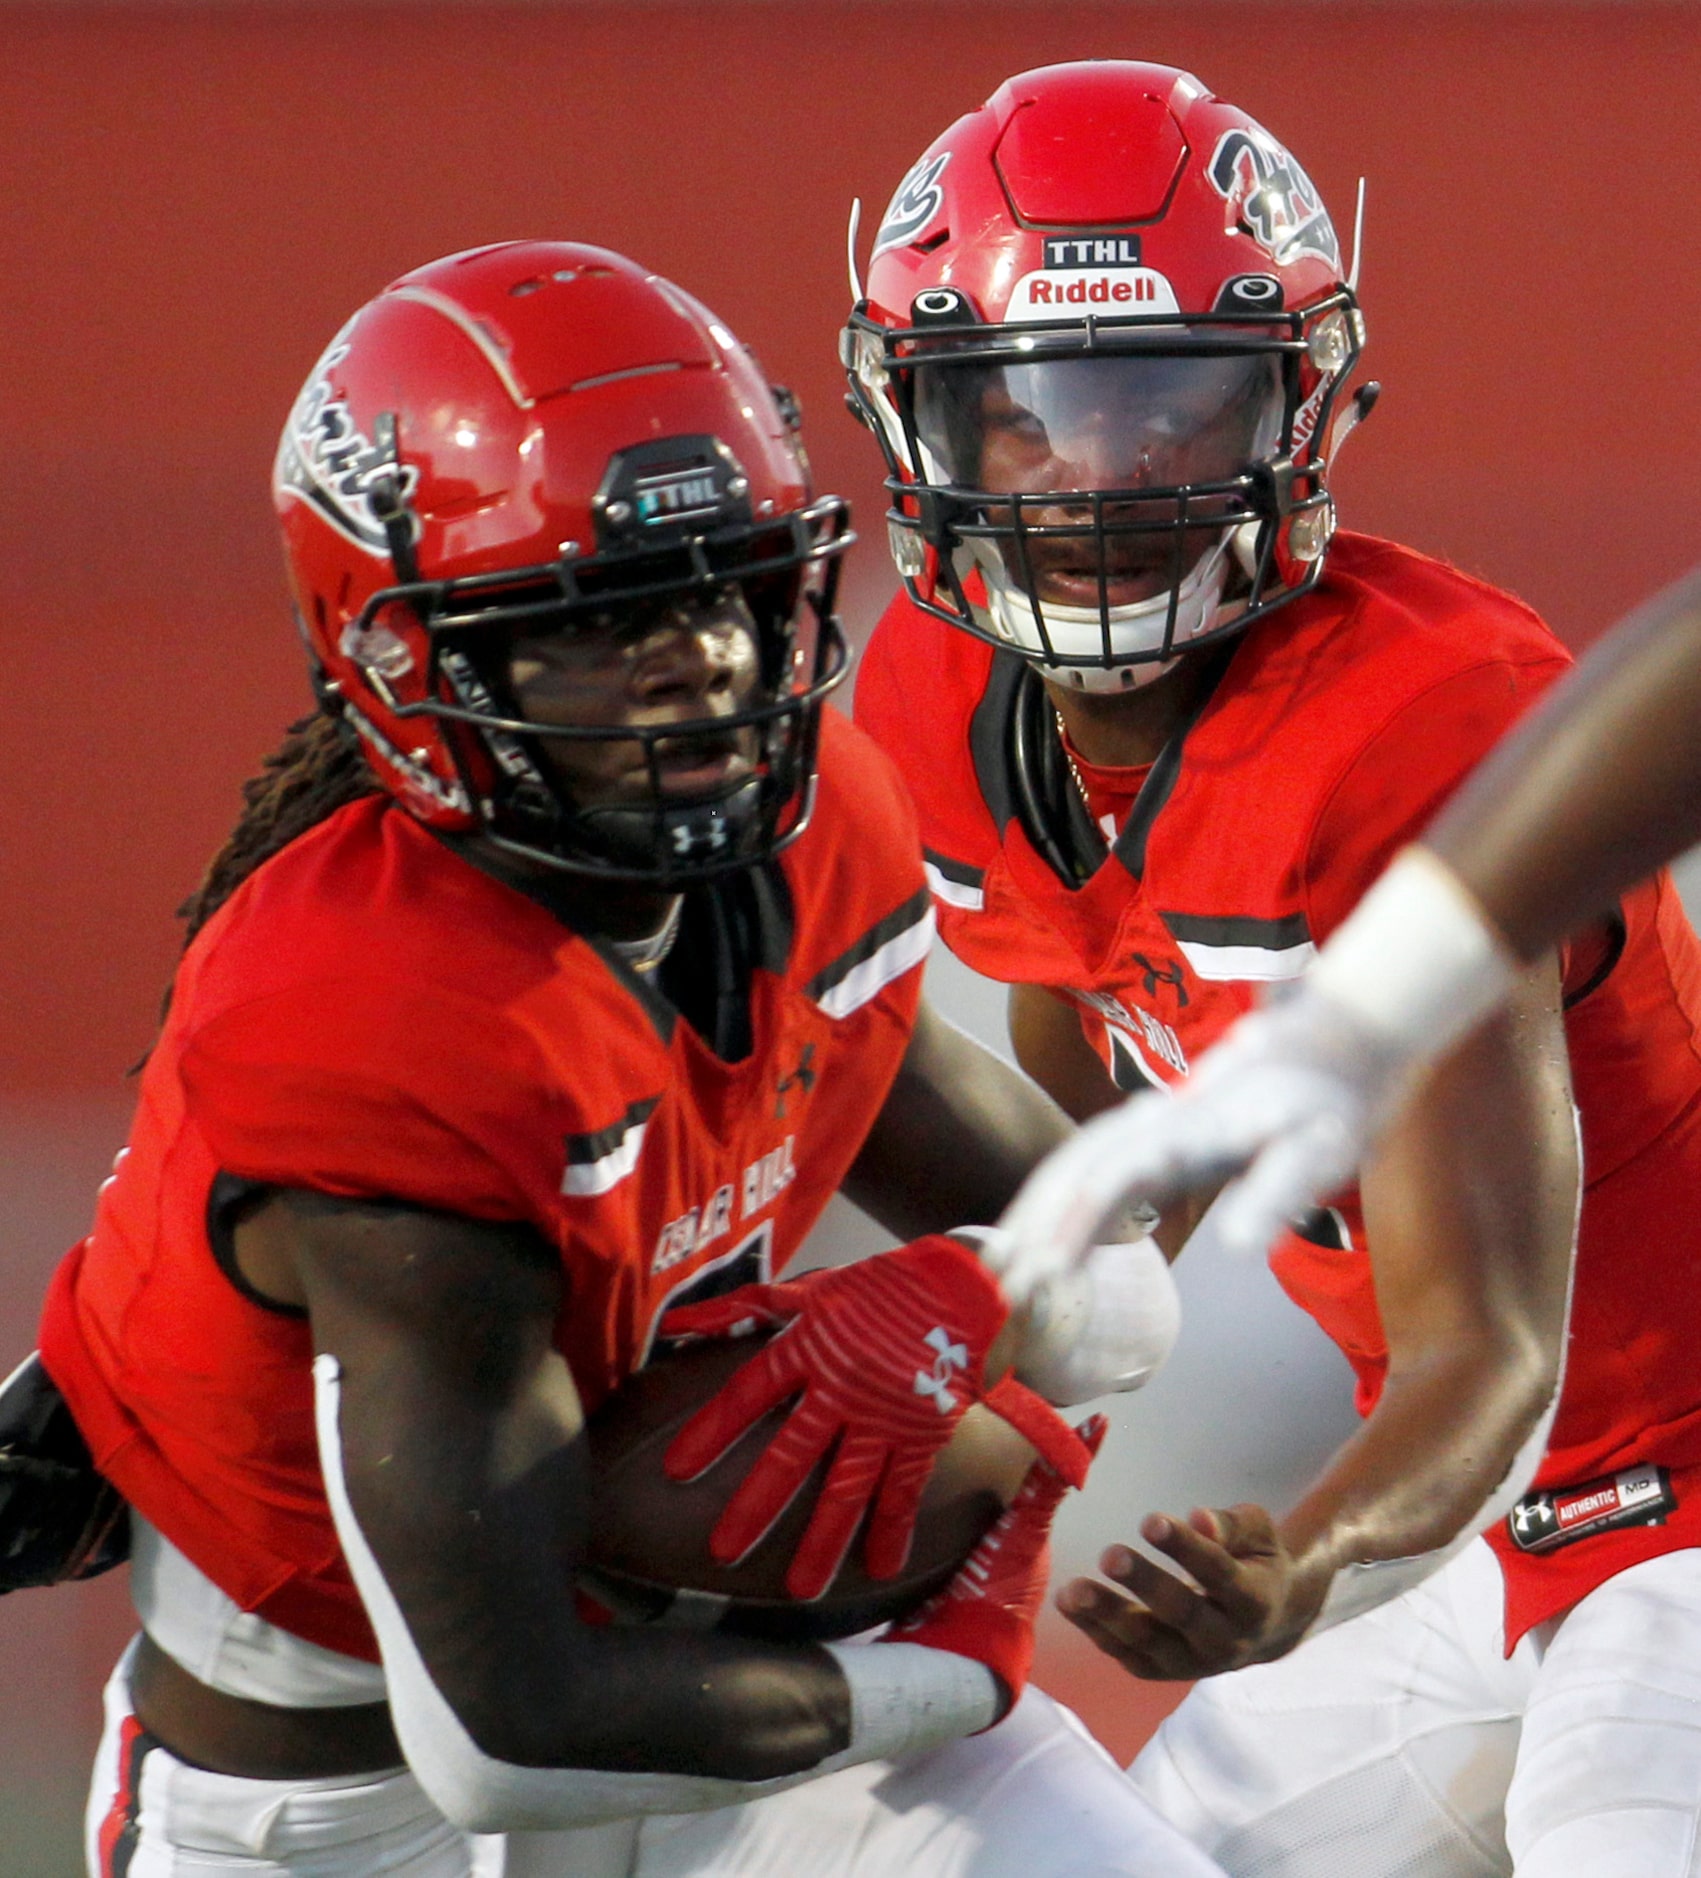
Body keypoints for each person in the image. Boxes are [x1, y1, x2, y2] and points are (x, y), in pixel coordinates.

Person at [35, 242, 1223, 1878]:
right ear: (412, 664)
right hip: (357, 1799)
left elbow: (1111, 1239)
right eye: (601, 626)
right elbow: (509, 1731)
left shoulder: (820, 840)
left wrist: (978, 1307)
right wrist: (939, 1676)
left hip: (724, 1704)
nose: (702, 662)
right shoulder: (377, 1029)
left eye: (720, 588)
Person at [848, 59, 1701, 1876]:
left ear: (1297, 405)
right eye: (1030, 413)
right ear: (926, 426)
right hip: (1531, 1531)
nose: (1095, 476)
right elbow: (1077, 1025)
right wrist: (982, 1347)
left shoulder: (1416, 716)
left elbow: (1493, 1354)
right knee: (1144, 1852)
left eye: (1167, 403)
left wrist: (1302, 1559)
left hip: (1663, 1479)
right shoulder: (938, 706)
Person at [997, 558, 1701, 1267]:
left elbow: (1486, 1348)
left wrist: (1352, 1026)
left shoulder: (1405, 725)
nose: (1087, 480)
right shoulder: (958, 700)